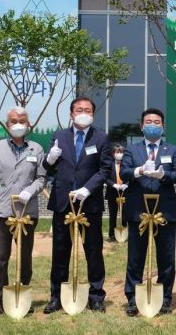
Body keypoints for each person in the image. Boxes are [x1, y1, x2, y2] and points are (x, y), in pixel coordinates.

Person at [42, 97, 111, 314]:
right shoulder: (59, 136)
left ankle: (96, 296)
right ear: (71, 114)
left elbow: (105, 169)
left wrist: (87, 189)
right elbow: (48, 168)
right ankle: (56, 296)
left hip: (89, 202)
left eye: (88, 110)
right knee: (60, 251)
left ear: (93, 114)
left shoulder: (101, 138)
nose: (83, 112)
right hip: (64, 201)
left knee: (93, 250)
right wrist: (50, 159)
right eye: (79, 109)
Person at [120, 108, 176, 316]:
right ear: (141, 126)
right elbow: (124, 172)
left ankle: (165, 298)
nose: (153, 125)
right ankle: (132, 297)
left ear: (163, 126)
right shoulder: (132, 150)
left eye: (157, 122)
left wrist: (162, 174)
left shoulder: (172, 150)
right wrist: (139, 171)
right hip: (138, 208)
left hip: (164, 209)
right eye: (148, 122)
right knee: (135, 256)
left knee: (166, 256)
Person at [0, 106, 46, 315]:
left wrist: (30, 190)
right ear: (7, 125)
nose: (17, 124)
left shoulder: (36, 148)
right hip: (2, 209)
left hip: (27, 210)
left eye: (22, 121)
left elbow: (42, 178)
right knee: (0, 257)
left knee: (24, 256)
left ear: (29, 124)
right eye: (13, 121)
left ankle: (22, 293)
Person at [105, 143, 128, 242]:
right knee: (113, 215)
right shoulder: (109, 164)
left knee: (125, 214)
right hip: (112, 192)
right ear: (113, 153)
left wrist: (126, 184)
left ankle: (124, 235)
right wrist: (113, 185)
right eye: (117, 152)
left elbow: (130, 175)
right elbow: (104, 177)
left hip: (124, 192)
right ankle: (112, 236)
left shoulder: (126, 163)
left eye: (121, 152)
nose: (119, 154)